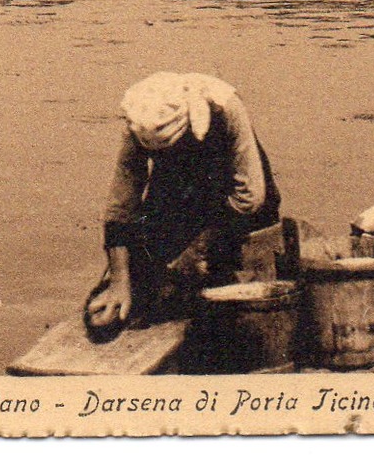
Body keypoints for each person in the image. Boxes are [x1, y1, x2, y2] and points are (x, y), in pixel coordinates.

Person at [85, 72, 280, 338]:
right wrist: (120, 279)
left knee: (216, 288)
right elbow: (121, 206)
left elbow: (250, 197)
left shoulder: (225, 108)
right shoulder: (140, 120)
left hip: (230, 193)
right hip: (176, 184)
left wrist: (197, 249)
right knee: (143, 282)